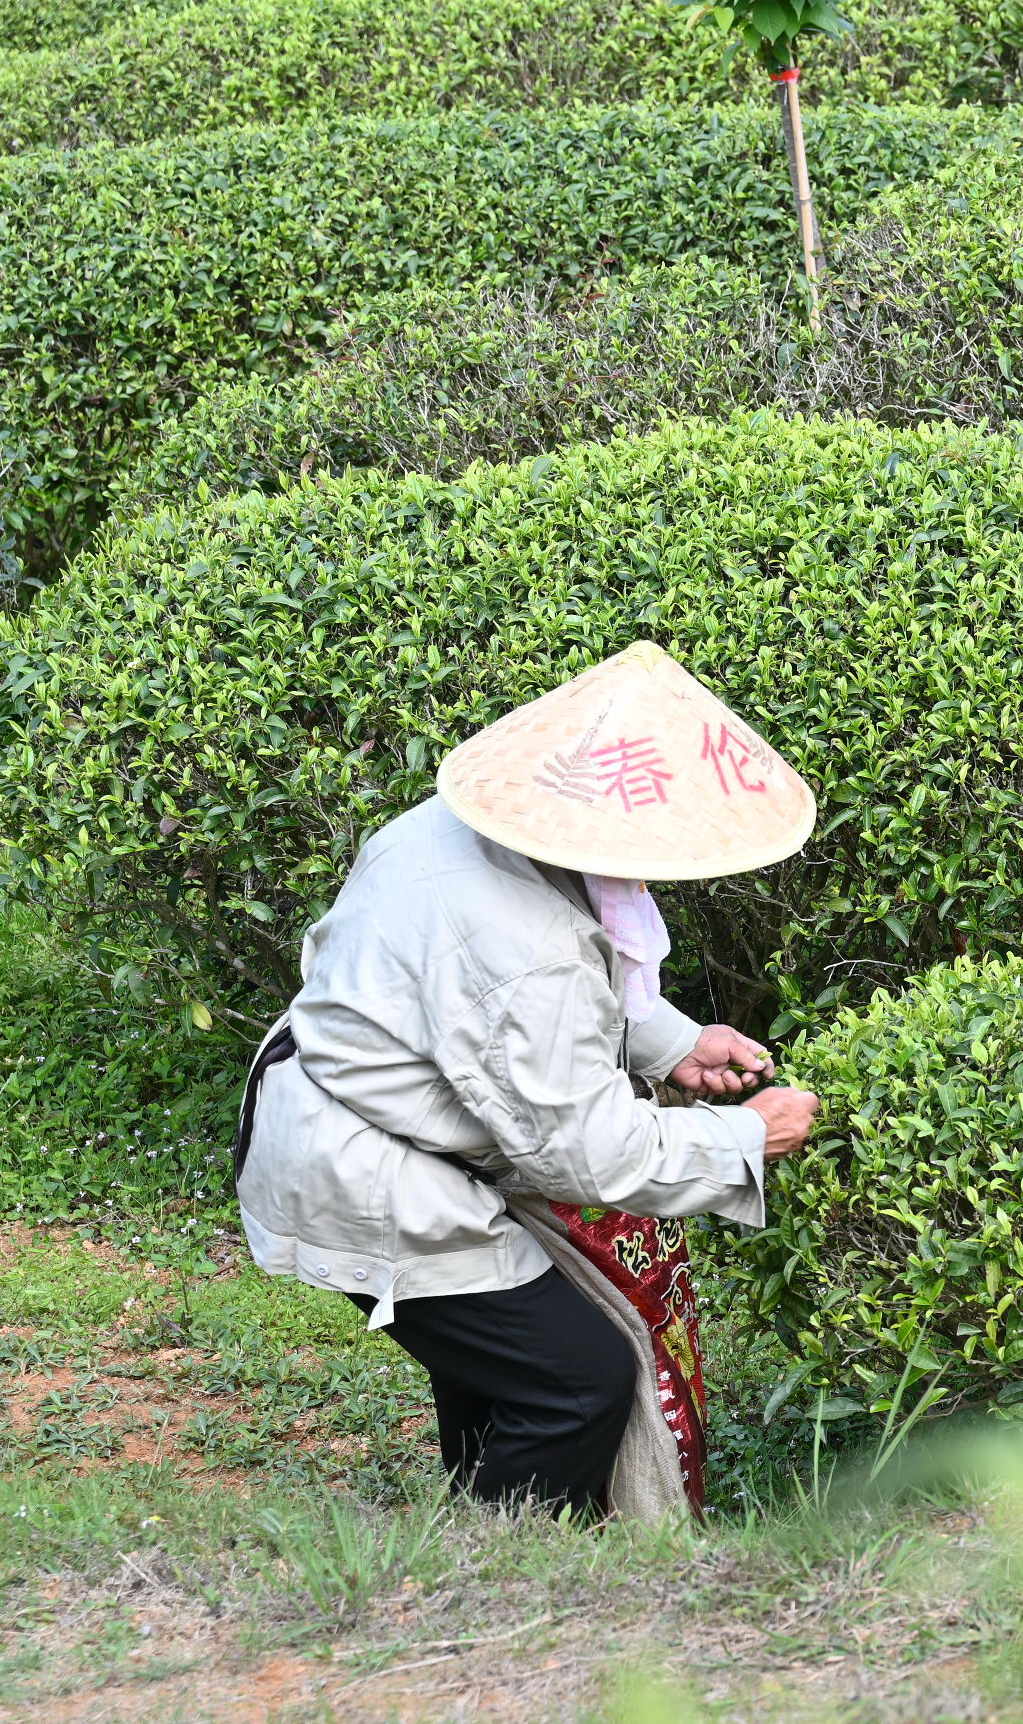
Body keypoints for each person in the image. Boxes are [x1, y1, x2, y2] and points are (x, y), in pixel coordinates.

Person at [232, 641, 822, 1523]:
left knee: (505, 1374)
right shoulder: (531, 950)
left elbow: (505, 1010)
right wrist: (746, 1138)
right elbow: (585, 1148)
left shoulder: (455, 826)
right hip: (367, 1166)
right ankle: (498, 1575)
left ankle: (497, 1533)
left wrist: (676, 1044)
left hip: (358, 1111)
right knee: (574, 1382)